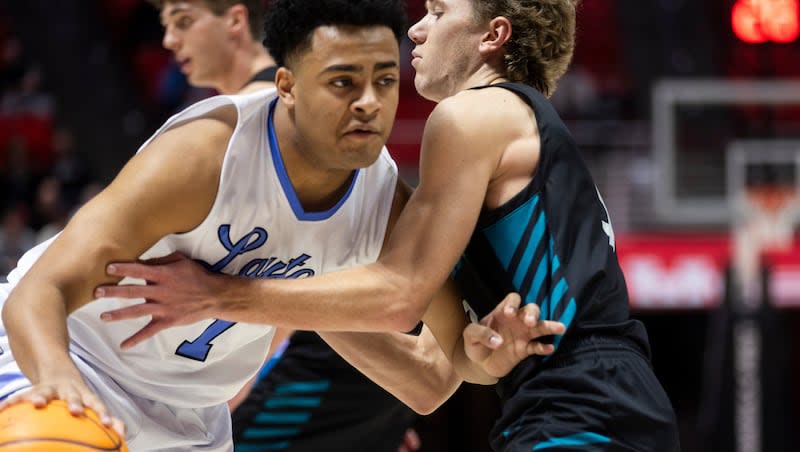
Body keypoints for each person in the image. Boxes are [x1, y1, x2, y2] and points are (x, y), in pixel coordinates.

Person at [99, 0, 683, 451]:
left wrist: (219, 295)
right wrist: (487, 351)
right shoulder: (508, 133)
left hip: (582, 403)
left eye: (437, 11)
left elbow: (400, 294)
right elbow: (441, 371)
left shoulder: (473, 115)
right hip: (582, 398)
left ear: (493, 35)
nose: (416, 31)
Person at [0, 0, 560, 450]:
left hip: (192, 419)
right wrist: (56, 381)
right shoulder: (204, 155)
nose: (369, 103)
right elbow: (36, 291)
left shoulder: (385, 200)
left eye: (385, 81)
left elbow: (436, 378)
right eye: (344, 83)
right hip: (78, 360)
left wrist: (492, 355)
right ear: (288, 86)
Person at [151, 0, 423, 449]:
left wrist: (207, 412)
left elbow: (280, 282)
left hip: (306, 353)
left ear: (236, 21)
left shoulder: (259, 115)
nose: (170, 40)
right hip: (342, 352)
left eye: (183, 22)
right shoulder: (259, 109)